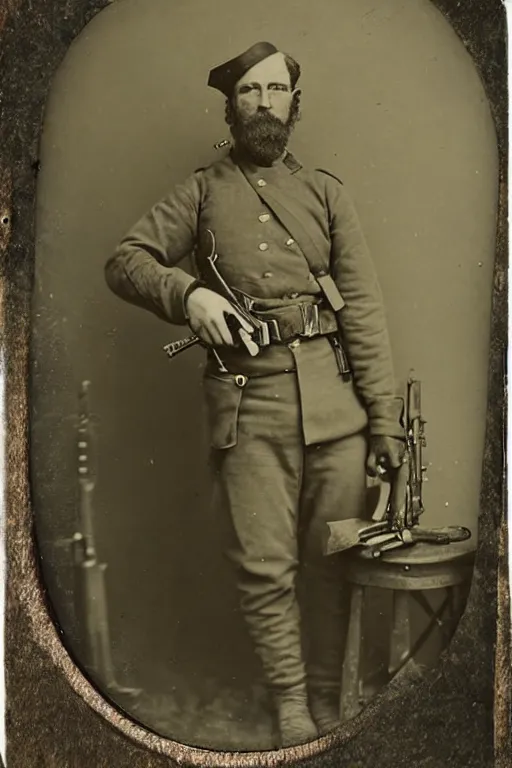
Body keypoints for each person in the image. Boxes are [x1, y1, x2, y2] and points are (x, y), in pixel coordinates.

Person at [104, 41, 405, 748]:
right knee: (266, 566)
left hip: (336, 407)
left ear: (294, 106)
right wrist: (189, 295)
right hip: (251, 402)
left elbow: (362, 312)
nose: (265, 104)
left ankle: (330, 702)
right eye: (250, 92)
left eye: (277, 91)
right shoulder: (203, 190)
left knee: (336, 558)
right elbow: (125, 261)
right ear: (231, 107)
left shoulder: (326, 194)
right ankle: (292, 708)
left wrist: (384, 426)